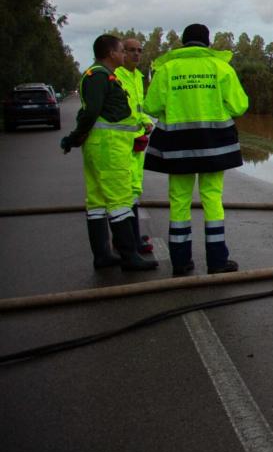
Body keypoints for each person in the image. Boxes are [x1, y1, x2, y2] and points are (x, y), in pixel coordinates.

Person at [144, 24, 248, 275]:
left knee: (179, 202)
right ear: (208, 42)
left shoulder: (167, 69)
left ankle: (180, 262)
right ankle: (217, 261)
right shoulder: (220, 67)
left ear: (182, 42)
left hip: (177, 147)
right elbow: (240, 106)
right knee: (212, 199)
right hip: (214, 146)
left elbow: (151, 106)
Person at [59, 35, 158, 272]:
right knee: (121, 200)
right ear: (111, 53)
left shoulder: (105, 76)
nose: (125, 54)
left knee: (97, 202)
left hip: (103, 146)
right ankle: (129, 256)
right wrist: (75, 137)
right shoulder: (99, 76)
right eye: (122, 50)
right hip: (109, 148)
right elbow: (91, 111)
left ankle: (103, 255)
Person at [115, 36, 156, 254]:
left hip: (136, 142)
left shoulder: (138, 77)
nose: (136, 54)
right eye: (131, 50)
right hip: (121, 143)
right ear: (121, 52)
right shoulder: (116, 76)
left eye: (140, 50)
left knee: (132, 190)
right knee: (123, 193)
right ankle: (127, 243)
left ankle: (131, 238)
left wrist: (146, 121)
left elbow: (137, 109)